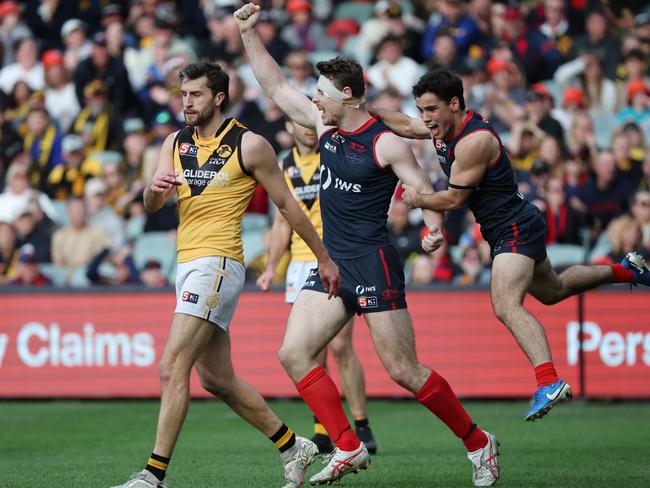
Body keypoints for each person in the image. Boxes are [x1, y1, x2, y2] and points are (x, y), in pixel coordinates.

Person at [235, 5, 500, 487]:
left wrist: (433, 227)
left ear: (350, 96)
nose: (313, 101)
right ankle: (348, 446)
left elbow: (420, 188)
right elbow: (274, 87)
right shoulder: (324, 126)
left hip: (374, 262)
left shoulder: (386, 144)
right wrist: (248, 34)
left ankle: (479, 443)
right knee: (293, 354)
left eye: (322, 94)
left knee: (403, 370)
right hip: (334, 263)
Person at [371, 68, 650, 422]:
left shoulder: (475, 142)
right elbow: (407, 126)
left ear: (454, 104)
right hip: (511, 225)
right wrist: (369, 113)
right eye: (421, 109)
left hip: (513, 228)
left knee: (505, 305)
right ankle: (627, 268)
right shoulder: (440, 127)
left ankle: (548, 380)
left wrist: (416, 200)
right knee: (555, 290)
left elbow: (455, 201)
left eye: (430, 109)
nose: (424, 118)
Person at [110, 60, 341, 488]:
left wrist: (323, 258)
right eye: (183, 95)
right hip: (189, 263)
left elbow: (288, 207)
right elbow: (153, 205)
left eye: (195, 94)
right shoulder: (174, 142)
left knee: (170, 366)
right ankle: (292, 445)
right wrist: (151, 191)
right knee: (217, 379)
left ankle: (153, 475)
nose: (187, 102)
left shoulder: (249, 144)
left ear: (218, 97)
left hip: (218, 263)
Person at [256, 119, 378, 455]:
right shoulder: (285, 165)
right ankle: (323, 428)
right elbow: (282, 221)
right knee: (309, 352)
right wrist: (270, 268)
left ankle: (362, 422)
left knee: (340, 346)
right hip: (299, 264)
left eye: (311, 122)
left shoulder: (333, 155)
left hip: (336, 256)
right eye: (299, 123)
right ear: (287, 126)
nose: (308, 128)